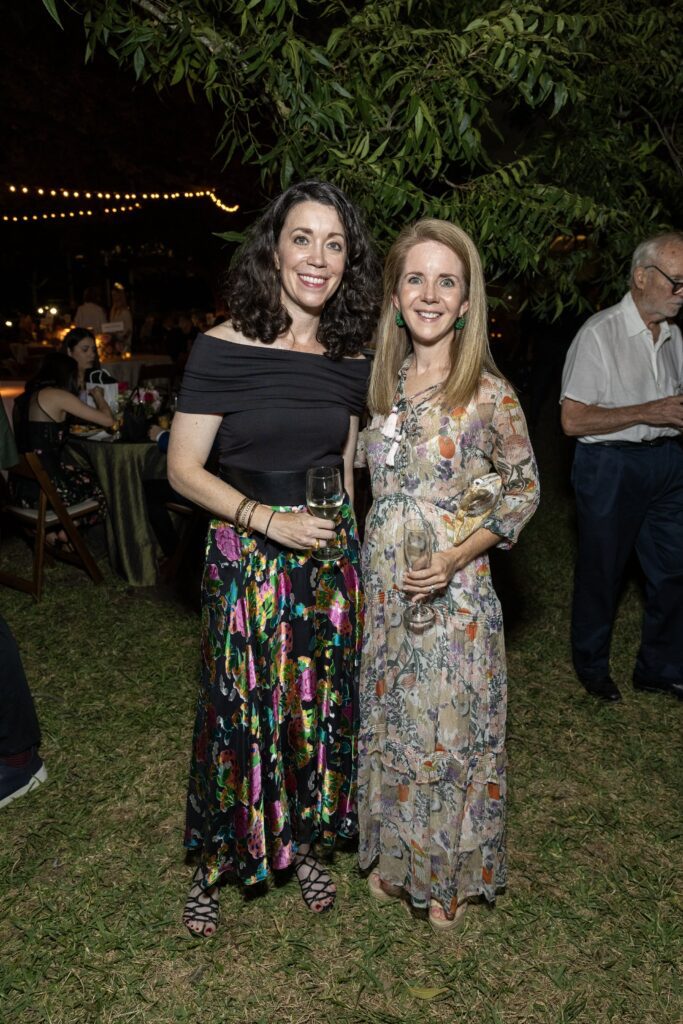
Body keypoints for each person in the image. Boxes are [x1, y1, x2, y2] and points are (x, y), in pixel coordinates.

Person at [168, 180, 380, 937]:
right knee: (240, 707)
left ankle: (306, 842)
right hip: (247, 556)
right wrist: (266, 521)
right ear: (273, 250)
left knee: (314, 707)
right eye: (302, 238)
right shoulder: (221, 349)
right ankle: (214, 864)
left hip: (325, 559)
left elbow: (345, 466)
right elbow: (182, 469)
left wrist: (350, 548)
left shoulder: (352, 357)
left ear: (348, 263)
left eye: (334, 244)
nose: (317, 258)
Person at [356, 219, 539, 931]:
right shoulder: (383, 384)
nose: (429, 294)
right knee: (395, 721)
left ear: (466, 302)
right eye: (415, 279)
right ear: (395, 295)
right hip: (384, 588)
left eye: (446, 282)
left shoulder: (489, 392)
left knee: (448, 732)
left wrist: (456, 555)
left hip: (452, 594)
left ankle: (449, 877)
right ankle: (399, 861)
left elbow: (521, 490)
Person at [560, 231, 683, 702]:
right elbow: (572, 420)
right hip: (609, 464)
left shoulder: (673, 335)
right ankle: (592, 667)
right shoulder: (599, 333)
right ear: (641, 276)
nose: (681, 292)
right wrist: (648, 411)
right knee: (603, 570)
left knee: (674, 567)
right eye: (676, 281)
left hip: (667, 462)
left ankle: (659, 668)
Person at [11, 352, 113, 535]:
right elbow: (108, 420)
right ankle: (66, 531)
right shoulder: (57, 394)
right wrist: (98, 396)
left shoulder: (24, 398)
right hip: (50, 491)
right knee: (108, 484)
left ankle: (57, 534)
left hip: (21, 488)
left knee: (83, 472)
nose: (78, 380)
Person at [109, 283, 133, 354]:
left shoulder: (125, 312)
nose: (114, 298)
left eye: (115, 295)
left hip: (124, 345)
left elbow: (129, 330)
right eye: (112, 295)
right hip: (114, 345)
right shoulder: (113, 310)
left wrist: (122, 340)